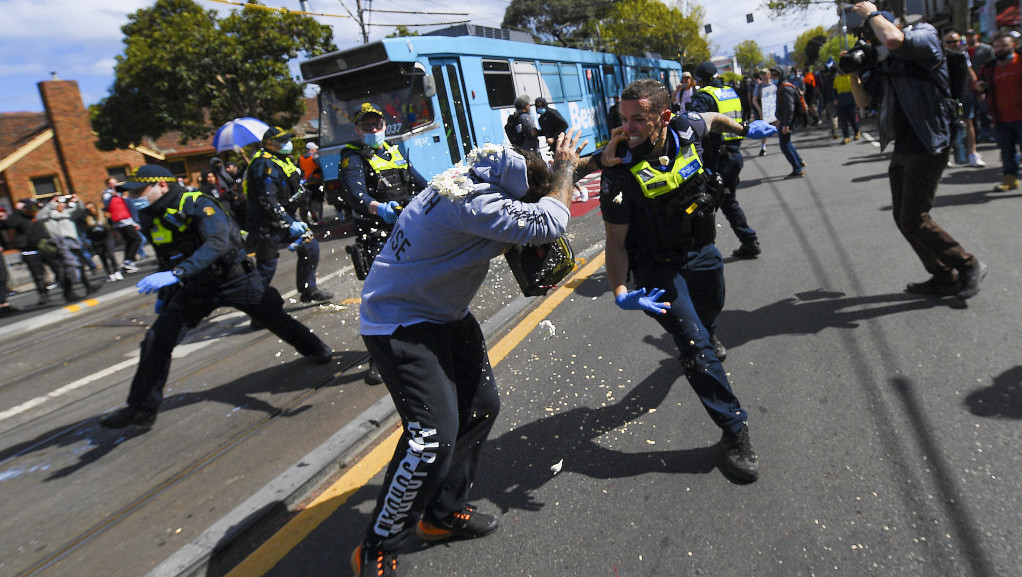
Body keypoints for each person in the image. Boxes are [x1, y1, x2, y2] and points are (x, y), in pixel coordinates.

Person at [351, 130, 585, 577]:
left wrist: (581, 165)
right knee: (430, 437)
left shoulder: (480, 176)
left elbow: (542, 198)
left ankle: (441, 513)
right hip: (399, 323)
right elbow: (548, 221)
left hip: (444, 314)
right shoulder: (474, 203)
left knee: (480, 408)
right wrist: (567, 169)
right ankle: (376, 544)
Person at [594, 79, 768, 487]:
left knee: (710, 316)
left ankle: (708, 337)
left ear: (664, 116)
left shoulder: (686, 128)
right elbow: (615, 243)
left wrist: (744, 129)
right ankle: (734, 430)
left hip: (703, 252)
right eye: (623, 119)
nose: (628, 128)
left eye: (639, 119)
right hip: (657, 269)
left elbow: (714, 118)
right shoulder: (617, 170)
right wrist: (621, 292)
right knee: (694, 345)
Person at [97, 165, 333, 430]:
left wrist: (176, 273)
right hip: (194, 287)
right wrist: (166, 293)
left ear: (162, 185)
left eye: (139, 191)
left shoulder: (197, 203)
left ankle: (315, 348)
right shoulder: (152, 215)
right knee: (156, 339)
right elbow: (166, 256)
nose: (133, 197)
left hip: (233, 278)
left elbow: (217, 243)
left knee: (273, 317)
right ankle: (141, 409)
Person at [847, 2, 986, 299]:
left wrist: (871, 12)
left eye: (875, 33)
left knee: (914, 217)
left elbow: (895, 40)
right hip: (905, 145)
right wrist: (852, 72)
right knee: (903, 217)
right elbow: (863, 102)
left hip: (930, 140)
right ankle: (943, 276)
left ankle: (968, 264)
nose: (875, 43)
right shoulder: (884, 62)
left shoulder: (925, 35)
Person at [339, 102, 429, 385]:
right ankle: (380, 359)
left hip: (407, 229)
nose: (375, 130)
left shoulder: (393, 149)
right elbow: (356, 194)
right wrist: (379, 208)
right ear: (358, 129)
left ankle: (417, 344)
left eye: (378, 124)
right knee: (383, 298)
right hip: (376, 234)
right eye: (367, 126)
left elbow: (417, 181)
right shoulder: (351, 157)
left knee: (417, 289)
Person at [245, 126, 334, 305]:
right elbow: (267, 199)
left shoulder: (283, 160)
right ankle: (257, 309)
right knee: (266, 266)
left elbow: (294, 185)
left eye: (288, 139)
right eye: (283, 141)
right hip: (267, 223)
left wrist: (301, 194)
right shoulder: (264, 164)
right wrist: (288, 222)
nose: (288, 144)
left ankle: (308, 290)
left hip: (287, 217)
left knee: (310, 247)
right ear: (270, 144)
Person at [689, 61, 763, 258]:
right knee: (727, 201)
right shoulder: (730, 92)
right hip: (734, 154)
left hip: (716, 158)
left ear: (700, 79)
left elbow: (696, 125)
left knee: (703, 204)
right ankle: (748, 241)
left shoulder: (704, 96)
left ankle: (703, 251)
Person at [974, 31, 1022, 191]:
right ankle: (1010, 179)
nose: (1000, 49)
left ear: (1013, 46)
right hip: (1001, 117)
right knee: (1006, 152)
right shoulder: (989, 66)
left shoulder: (1019, 60)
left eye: (1004, 45)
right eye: (997, 46)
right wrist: (978, 87)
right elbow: (978, 85)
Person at [0, 199, 60, 304]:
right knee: (38, 276)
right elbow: (7, 224)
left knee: (59, 269)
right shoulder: (18, 218)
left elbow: (42, 211)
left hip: (45, 248)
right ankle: (44, 295)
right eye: (29, 208)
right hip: (30, 251)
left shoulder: (38, 216)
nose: (32, 210)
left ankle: (68, 290)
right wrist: (17, 210)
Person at [37, 194, 95, 302]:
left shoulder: (68, 213)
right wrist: (51, 204)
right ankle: (68, 293)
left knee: (79, 266)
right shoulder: (48, 215)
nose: (62, 204)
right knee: (65, 270)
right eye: (59, 202)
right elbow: (39, 217)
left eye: (63, 202)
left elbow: (80, 209)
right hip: (59, 246)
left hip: (73, 244)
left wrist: (77, 200)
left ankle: (87, 286)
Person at [944, 30, 986, 168]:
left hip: (964, 93)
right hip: (946, 96)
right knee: (947, 125)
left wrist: (977, 87)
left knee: (968, 123)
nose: (952, 44)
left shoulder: (963, 54)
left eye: (955, 41)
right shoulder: (940, 55)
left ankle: (973, 154)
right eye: (949, 42)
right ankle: (946, 156)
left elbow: (970, 71)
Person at [103, 178, 144, 275]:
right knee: (137, 240)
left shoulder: (121, 193)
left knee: (130, 241)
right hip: (121, 221)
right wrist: (112, 196)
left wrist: (134, 221)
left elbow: (129, 206)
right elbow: (106, 204)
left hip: (128, 219)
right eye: (110, 183)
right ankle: (128, 260)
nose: (113, 184)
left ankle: (128, 261)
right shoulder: (107, 195)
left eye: (114, 182)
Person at [772, 66, 806, 178]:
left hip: (788, 121)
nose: (773, 77)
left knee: (784, 146)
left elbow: (789, 108)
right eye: (772, 75)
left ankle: (797, 169)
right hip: (785, 120)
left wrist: (786, 124)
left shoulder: (785, 88)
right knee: (788, 143)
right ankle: (799, 162)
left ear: (782, 75)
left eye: (776, 75)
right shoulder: (782, 87)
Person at [966, 28, 995, 143]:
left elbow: (992, 66)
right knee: (971, 114)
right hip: (968, 87)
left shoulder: (986, 49)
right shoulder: (963, 51)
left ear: (976, 36)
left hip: (983, 85)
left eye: (972, 35)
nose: (970, 38)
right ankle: (975, 136)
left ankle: (986, 134)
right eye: (968, 36)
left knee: (985, 112)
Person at [83, 201, 121, 282]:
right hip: (96, 240)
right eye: (88, 209)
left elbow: (111, 224)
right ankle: (109, 273)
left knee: (111, 254)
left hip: (106, 236)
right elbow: (86, 230)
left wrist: (109, 218)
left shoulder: (103, 214)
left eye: (92, 208)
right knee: (102, 256)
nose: (91, 210)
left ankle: (116, 271)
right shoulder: (86, 219)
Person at [298, 142, 326, 225]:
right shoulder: (315, 157)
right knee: (319, 201)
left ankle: (314, 216)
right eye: (315, 148)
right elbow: (322, 167)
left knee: (311, 201)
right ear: (312, 149)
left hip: (306, 183)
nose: (316, 150)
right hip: (317, 181)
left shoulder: (301, 158)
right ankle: (320, 218)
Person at [833, 72, 861, 144]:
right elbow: (834, 90)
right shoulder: (837, 79)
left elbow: (858, 87)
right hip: (841, 101)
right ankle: (846, 137)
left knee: (853, 118)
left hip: (851, 100)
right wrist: (835, 99)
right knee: (843, 120)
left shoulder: (851, 77)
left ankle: (856, 132)